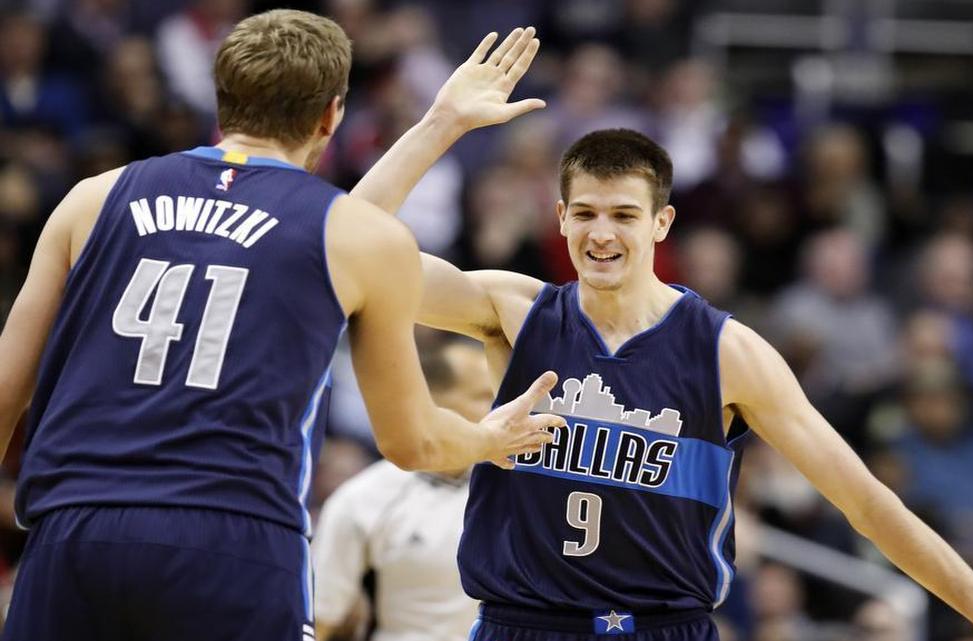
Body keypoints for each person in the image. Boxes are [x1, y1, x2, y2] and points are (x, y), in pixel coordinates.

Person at [348, 51, 973, 640]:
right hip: (522, 621)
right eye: (585, 213)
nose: (602, 234)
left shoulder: (728, 352)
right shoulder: (514, 309)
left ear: (662, 223)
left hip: (665, 624)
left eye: (625, 214)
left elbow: (867, 503)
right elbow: (350, 245)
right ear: (559, 217)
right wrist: (441, 124)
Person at [0, 11, 561, 641]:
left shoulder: (92, 198)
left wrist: (441, 123)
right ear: (331, 115)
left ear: (221, 98)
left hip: (73, 531)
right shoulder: (356, 238)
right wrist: (490, 440)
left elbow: (4, 395)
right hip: (234, 540)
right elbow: (413, 443)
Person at [313, 337, 491, 641]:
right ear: (434, 403)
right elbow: (323, 618)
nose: (502, 407)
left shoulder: (519, 491)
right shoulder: (365, 497)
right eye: (483, 396)